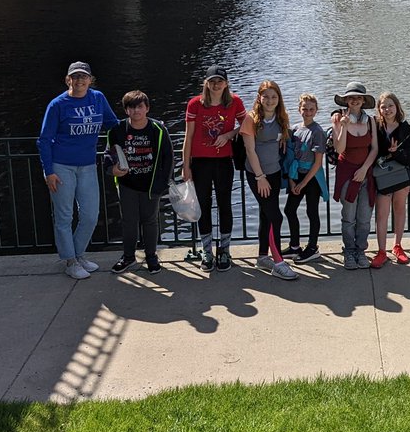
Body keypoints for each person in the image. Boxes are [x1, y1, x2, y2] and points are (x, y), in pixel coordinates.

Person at [37, 61, 119, 279]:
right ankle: (70, 260)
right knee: (64, 216)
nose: (80, 80)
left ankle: (79, 254)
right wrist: (48, 171)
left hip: (88, 165)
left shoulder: (98, 98)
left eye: (84, 77)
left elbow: (113, 124)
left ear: (90, 80)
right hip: (61, 166)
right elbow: (44, 140)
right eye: (75, 77)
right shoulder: (58, 104)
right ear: (68, 80)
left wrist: (143, 125)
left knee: (91, 214)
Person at [182, 66, 246, 272]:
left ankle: (224, 250)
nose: (216, 85)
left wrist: (228, 135)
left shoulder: (234, 102)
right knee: (204, 206)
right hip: (200, 162)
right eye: (212, 81)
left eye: (220, 81)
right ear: (206, 83)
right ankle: (207, 251)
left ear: (226, 83)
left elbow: (248, 124)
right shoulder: (195, 104)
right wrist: (185, 166)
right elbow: (188, 136)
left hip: (224, 160)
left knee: (225, 204)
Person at [107, 90, 173, 275]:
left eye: (140, 107)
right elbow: (109, 155)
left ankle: (151, 256)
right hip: (127, 184)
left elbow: (168, 158)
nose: (136, 111)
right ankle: (128, 257)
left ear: (147, 108)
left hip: (151, 185)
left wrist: (162, 184)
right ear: (126, 110)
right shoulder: (117, 130)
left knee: (150, 221)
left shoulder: (158, 129)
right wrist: (112, 170)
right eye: (131, 107)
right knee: (129, 221)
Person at [240, 80, 297, 279]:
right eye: (266, 97)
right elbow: (250, 150)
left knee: (266, 214)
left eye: (274, 97)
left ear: (279, 99)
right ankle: (279, 262)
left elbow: (284, 141)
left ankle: (263, 256)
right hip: (257, 174)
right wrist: (260, 177)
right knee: (276, 216)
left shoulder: (282, 119)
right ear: (259, 98)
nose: (270, 100)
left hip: (274, 173)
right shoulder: (251, 120)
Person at [332, 82, 378, 270]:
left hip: (366, 174)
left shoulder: (371, 121)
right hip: (346, 174)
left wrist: (365, 169)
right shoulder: (338, 119)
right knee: (348, 216)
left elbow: (374, 148)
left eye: (358, 97)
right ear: (346, 101)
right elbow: (339, 149)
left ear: (364, 101)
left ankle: (361, 250)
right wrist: (343, 127)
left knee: (365, 217)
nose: (355, 100)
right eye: (351, 97)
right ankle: (349, 251)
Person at [372, 91, 410, 268]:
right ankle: (381, 251)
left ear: (397, 107)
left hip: (400, 176)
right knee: (382, 214)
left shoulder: (405, 128)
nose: (387, 109)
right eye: (383, 106)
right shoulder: (375, 126)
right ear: (379, 109)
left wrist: (396, 152)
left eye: (390, 105)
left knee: (400, 210)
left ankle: (397, 246)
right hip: (382, 178)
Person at [282, 93, 328, 265]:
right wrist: (293, 181)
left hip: (312, 177)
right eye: (305, 109)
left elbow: (317, 163)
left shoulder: (318, 132)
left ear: (316, 110)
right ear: (299, 109)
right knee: (289, 210)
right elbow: (290, 157)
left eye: (311, 109)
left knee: (311, 211)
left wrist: (303, 183)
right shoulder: (294, 130)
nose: (308, 112)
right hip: (297, 174)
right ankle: (294, 246)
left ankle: (312, 247)